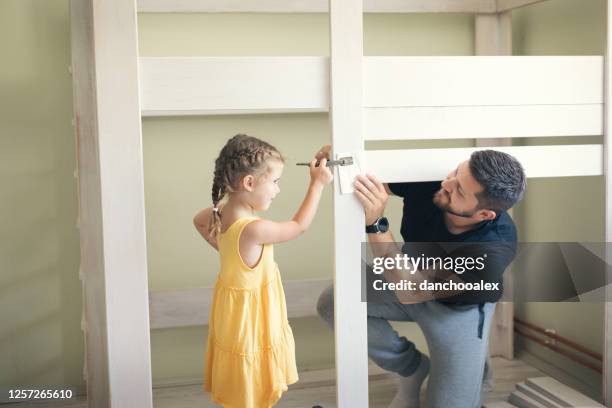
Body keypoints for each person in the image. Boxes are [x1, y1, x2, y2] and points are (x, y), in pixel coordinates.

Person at [316, 145, 526, 408]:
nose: (446, 184)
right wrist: (342, 157)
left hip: (458, 310)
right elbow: (370, 181)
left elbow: (412, 289)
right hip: (407, 272)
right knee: (334, 303)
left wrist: (375, 223)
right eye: (455, 173)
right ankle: (411, 369)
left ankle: (474, 376)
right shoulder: (436, 184)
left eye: (459, 190)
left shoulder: (494, 249)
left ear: (484, 214)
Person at [193, 134, 333, 408]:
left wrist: (226, 250)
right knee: (254, 379)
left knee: (245, 384)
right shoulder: (254, 229)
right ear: (249, 182)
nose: (278, 190)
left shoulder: (221, 214)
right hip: (252, 322)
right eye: (275, 182)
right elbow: (298, 226)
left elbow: (198, 222)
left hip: (233, 317)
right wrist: (316, 184)